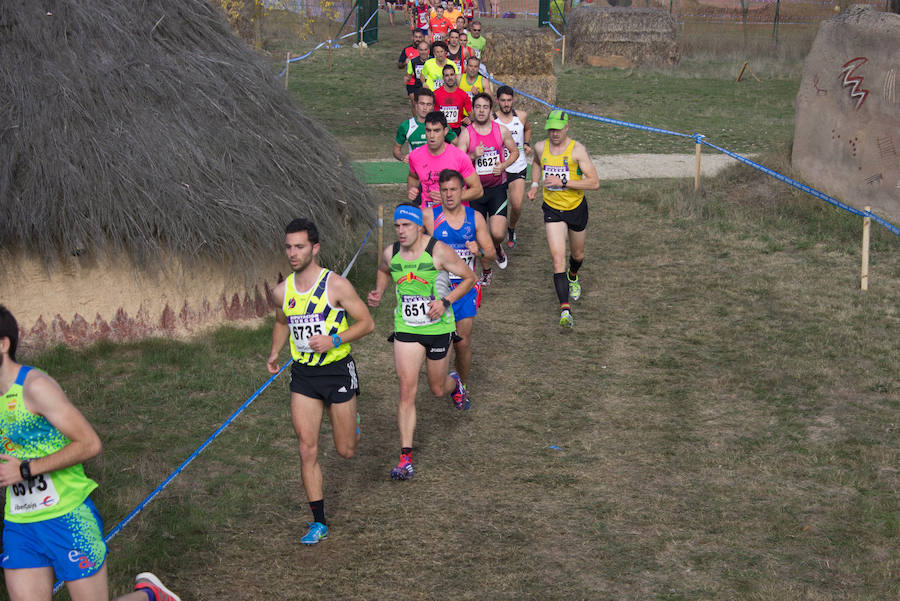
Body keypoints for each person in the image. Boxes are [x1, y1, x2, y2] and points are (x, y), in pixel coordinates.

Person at [0, 305, 181, 601]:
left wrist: (24, 470)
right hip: (20, 523)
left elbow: (89, 444)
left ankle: (150, 596)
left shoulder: (34, 387)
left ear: (3, 344)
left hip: (67, 516)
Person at [266, 219, 375, 544]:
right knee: (306, 448)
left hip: (337, 371)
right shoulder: (281, 291)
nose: (292, 253)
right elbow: (282, 322)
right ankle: (318, 521)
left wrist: (334, 340)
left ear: (315, 248)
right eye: (288, 247)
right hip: (304, 377)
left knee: (346, 451)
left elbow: (366, 323)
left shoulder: (336, 286)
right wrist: (274, 352)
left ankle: (351, 421)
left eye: (299, 246)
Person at [366, 205, 476, 480]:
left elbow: (469, 278)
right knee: (406, 390)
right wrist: (379, 291)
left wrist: (445, 302)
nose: (400, 231)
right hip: (407, 328)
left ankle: (455, 384)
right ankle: (405, 459)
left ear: (418, 227)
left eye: (406, 225)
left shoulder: (438, 251)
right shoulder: (391, 253)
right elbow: (383, 269)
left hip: (438, 328)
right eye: (397, 226)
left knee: (437, 389)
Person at [526, 110, 600, 328]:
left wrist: (564, 182)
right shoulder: (541, 146)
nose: (554, 132)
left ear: (567, 127)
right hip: (553, 209)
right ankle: (565, 311)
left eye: (558, 128)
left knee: (577, 254)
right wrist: (534, 184)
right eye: (551, 128)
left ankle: (573, 276)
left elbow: (594, 182)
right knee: (557, 257)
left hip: (576, 207)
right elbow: (537, 163)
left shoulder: (577, 150)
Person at [423, 169, 495, 390]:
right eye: (444, 190)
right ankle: (441, 378)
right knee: (437, 342)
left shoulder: (475, 218)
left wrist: (479, 251)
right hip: (437, 289)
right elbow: (406, 236)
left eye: (453, 189)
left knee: (461, 343)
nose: (449, 195)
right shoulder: (428, 216)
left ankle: (460, 386)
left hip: (465, 289)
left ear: (463, 190)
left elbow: (491, 252)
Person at [454, 93, 519, 285]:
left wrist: (504, 165)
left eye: (485, 107)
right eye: (478, 107)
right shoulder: (466, 133)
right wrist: (473, 155)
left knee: (497, 233)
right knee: (477, 236)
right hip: (475, 191)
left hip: (497, 188)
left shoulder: (501, 131)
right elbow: (457, 161)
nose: (481, 111)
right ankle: (487, 270)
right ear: (473, 110)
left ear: (491, 110)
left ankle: (497, 248)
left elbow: (515, 151)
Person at [408, 110, 482, 209]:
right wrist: (412, 189)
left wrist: (449, 198)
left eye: (436, 130)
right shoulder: (415, 155)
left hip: (455, 218)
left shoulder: (459, 157)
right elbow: (413, 176)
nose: (432, 136)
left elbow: (478, 190)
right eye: (428, 130)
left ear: (445, 131)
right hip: (429, 217)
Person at [493, 85, 531, 249]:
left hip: (518, 166)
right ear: (497, 101)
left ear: (513, 100)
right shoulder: (492, 118)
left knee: (516, 205)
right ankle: (495, 235)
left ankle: (511, 228)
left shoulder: (521, 116)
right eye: (503, 100)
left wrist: (526, 143)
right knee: (495, 208)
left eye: (509, 100)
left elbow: (528, 129)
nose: (506, 104)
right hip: (498, 169)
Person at [394, 88, 457, 163]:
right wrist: (403, 157)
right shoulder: (406, 126)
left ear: (433, 106)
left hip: (438, 169)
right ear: (416, 104)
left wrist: (449, 156)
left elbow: (456, 142)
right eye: (422, 104)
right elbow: (396, 150)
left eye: (428, 104)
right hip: (416, 171)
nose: (425, 108)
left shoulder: (441, 125)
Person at [433, 64, 472, 135]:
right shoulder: (435, 94)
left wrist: (470, 119)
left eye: (452, 74)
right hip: (440, 130)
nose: (450, 77)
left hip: (457, 130)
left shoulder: (463, 94)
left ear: (455, 76)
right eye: (447, 75)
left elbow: (472, 113)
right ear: (443, 78)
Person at [399, 30, 428, 112]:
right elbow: (399, 65)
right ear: (412, 38)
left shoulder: (427, 49)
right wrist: (405, 63)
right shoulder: (407, 50)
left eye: (420, 37)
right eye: (416, 37)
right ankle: (417, 122)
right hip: (412, 82)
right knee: (415, 103)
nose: (418, 39)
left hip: (426, 81)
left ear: (423, 38)